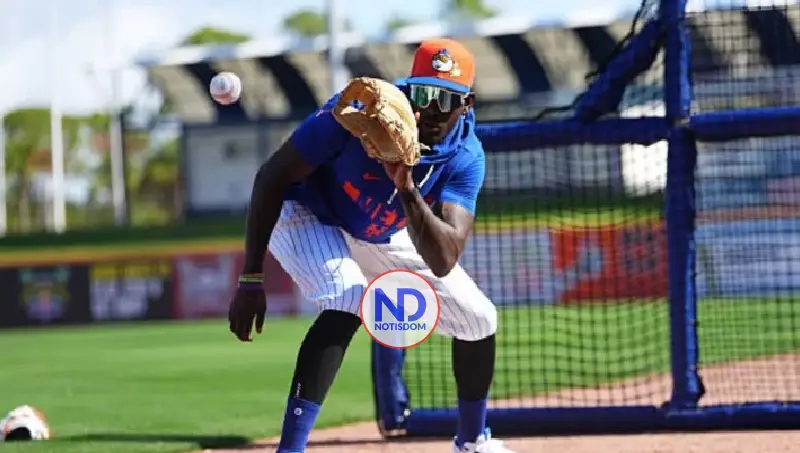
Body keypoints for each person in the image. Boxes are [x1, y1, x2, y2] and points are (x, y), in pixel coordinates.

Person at [228, 38, 517, 453]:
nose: (429, 109)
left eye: (445, 99)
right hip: (307, 211)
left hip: (379, 229)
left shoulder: (465, 156)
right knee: (348, 298)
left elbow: (444, 258)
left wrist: (407, 188)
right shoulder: (359, 109)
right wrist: (251, 277)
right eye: (422, 94)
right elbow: (272, 175)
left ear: (466, 104)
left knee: (479, 319)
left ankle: (471, 442)